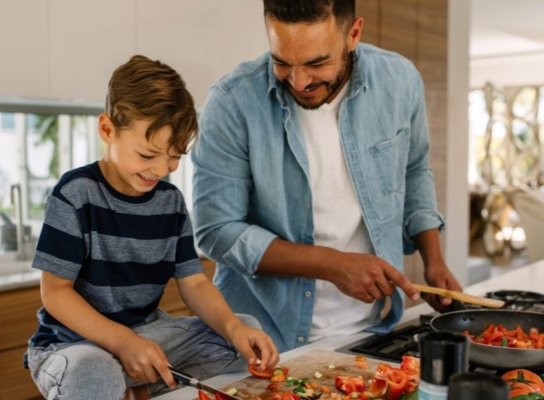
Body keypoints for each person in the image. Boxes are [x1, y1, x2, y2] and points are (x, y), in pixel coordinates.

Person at [191, 0, 462, 353]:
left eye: (316, 63)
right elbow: (215, 231)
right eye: (281, 62)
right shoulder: (232, 102)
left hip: (371, 332)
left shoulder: (400, 81)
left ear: (353, 34)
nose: (299, 81)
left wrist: (433, 259)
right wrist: (333, 264)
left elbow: (414, 169)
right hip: (261, 340)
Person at [25, 55, 279, 400]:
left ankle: (132, 378)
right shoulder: (75, 193)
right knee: (94, 371)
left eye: (174, 156)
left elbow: (194, 282)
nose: (161, 168)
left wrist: (232, 327)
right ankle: (124, 379)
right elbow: (55, 293)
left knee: (245, 331)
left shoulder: (170, 202)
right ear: (107, 130)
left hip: (145, 336)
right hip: (72, 346)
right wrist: (124, 342)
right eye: (147, 155)